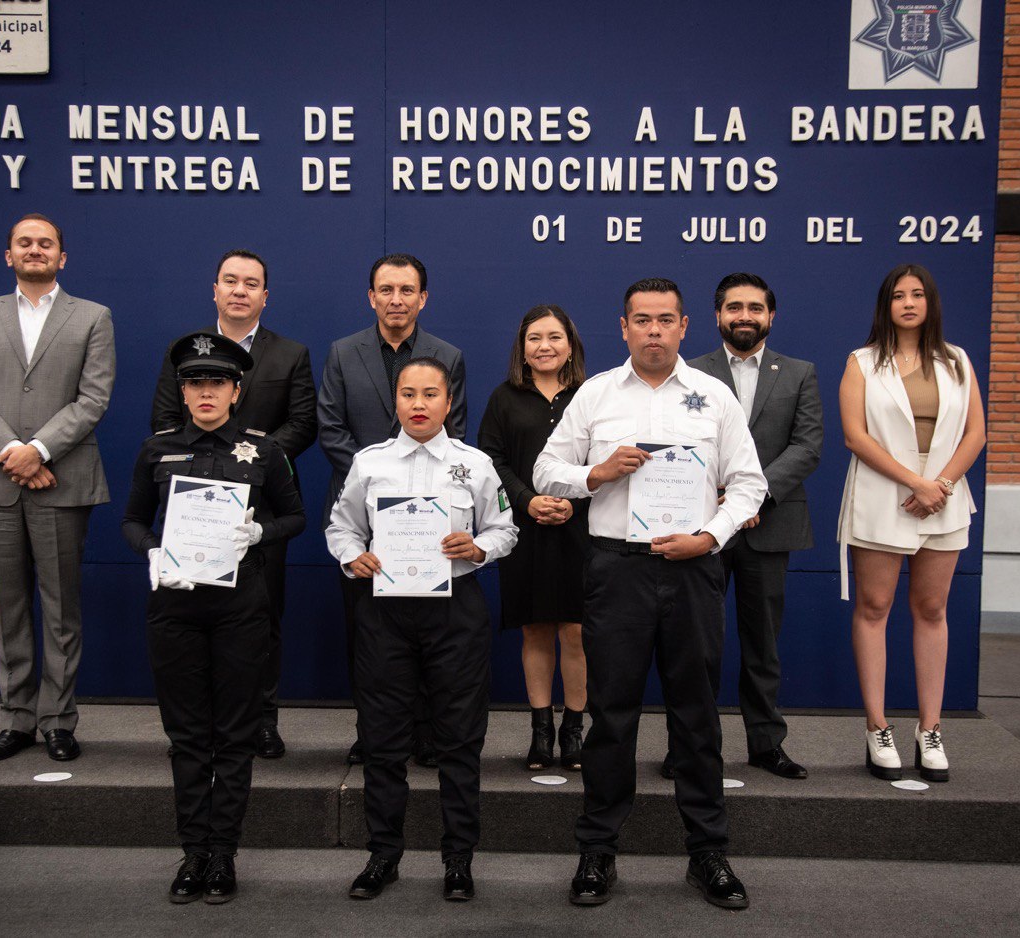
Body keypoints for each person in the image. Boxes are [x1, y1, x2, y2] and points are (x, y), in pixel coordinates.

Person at [534, 277, 765, 911]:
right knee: (612, 716)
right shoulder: (596, 394)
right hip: (618, 570)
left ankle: (709, 853)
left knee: (697, 716)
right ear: (624, 325)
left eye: (666, 320)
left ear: (686, 326)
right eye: (643, 320)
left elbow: (748, 485)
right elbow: (545, 469)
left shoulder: (714, 397)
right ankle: (597, 852)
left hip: (693, 569)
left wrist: (710, 537)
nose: (655, 330)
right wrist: (595, 473)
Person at [123, 332, 306, 903]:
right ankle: (192, 853)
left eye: (217, 382)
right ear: (182, 391)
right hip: (174, 611)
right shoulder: (156, 449)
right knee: (185, 738)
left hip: (239, 613)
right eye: (195, 382)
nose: (206, 392)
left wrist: (260, 532)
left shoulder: (263, 451)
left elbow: (295, 517)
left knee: (232, 737)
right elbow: (131, 519)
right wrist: (151, 549)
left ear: (236, 390)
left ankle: (223, 854)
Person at [326, 357, 517, 902]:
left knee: (459, 741)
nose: (418, 403)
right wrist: (353, 557)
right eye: (407, 393)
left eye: (429, 393)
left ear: (447, 401)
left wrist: (479, 549)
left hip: (455, 611)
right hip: (384, 613)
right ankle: (382, 855)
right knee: (383, 741)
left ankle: (458, 859)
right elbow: (341, 526)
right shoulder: (369, 463)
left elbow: (506, 528)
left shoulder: (474, 464)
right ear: (395, 401)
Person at [0, 213, 115, 764]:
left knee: (61, 608)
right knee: (9, 607)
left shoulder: (92, 317)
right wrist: (14, 455)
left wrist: (39, 451)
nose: (35, 250)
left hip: (61, 481)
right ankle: (17, 719)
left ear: (62, 258)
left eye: (46, 243)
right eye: (25, 242)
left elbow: (93, 399)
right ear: (9, 255)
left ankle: (58, 722)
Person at [149, 249, 316, 759]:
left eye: (251, 283)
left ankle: (262, 719)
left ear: (265, 295)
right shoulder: (184, 352)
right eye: (230, 281)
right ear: (215, 290)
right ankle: (204, 724)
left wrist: (251, 461)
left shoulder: (290, 353)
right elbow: (162, 421)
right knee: (195, 613)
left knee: (262, 617)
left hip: (262, 509)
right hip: (193, 505)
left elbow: (304, 422)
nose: (240, 290)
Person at [838, 263, 985, 784]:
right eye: (898, 295)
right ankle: (878, 727)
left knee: (931, 608)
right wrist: (914, 483)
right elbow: (856, 437)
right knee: (875, 607)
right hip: (885, 498)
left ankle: (930, 729)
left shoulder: (957, 360)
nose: (908, 303)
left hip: (943, 499)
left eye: (917, 294)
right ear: (886, 305)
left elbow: (975, 433)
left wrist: (938, 484)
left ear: (930, 303)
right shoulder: (862, 362)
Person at [318, 253, 467, 765]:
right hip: (363, 521)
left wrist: (411, 484)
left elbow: (458, 430)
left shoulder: (447, 355)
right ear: (371, 296)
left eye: (407, 290)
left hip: (431, 521)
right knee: (367, 635)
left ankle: (425, 734)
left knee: (428, 630)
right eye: (386, 290)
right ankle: (374, 732)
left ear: (423, 297)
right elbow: (330, 428)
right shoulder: (342, 353)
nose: (396, 299)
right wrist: (379, 476)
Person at [678, 273, 823, 780]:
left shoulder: (799, 373)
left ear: (770, 315)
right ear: (718, 316)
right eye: (734, 307)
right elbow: (681, 445)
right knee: (698, 646)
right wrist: (725, 500)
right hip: (704, 526)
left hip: (769, 524)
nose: (745, 316)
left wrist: (752, 495)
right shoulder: (690, 372)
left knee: (762, 645)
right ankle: (694, 750)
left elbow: (807, 446)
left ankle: (766, 744)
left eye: (755, 308)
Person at [478, 304, 590, 772]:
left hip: (582, 528)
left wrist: (572, 501)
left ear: (570, 346)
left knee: (576, 631)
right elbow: (491, 460)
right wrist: (526, 500)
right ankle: (541, 732)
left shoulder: (592, 395)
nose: (544, 347)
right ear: (522, 349)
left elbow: (606, 461)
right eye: (534, 338)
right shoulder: (504, 398)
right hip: (525, 530)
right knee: (535, 628)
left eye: (554, 338)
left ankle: (574, 732)